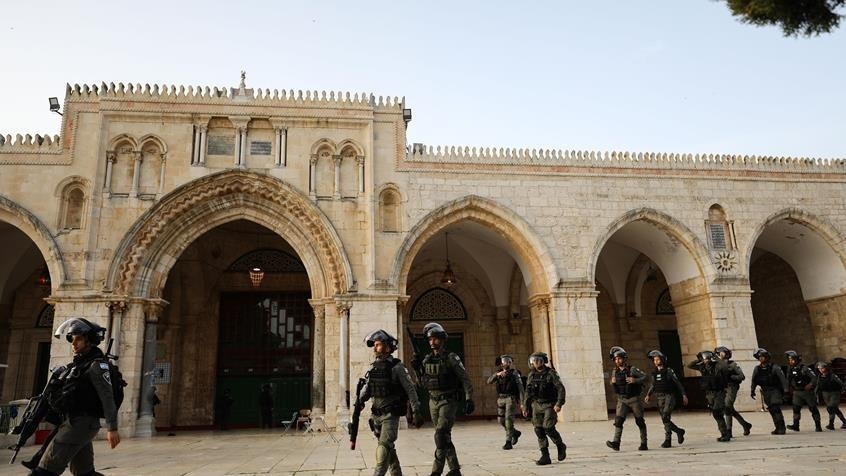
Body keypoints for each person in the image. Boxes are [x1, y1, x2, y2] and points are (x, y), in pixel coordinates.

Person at [32, 317, 120, 476]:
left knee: (45, 470)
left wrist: (112, 428)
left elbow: (107, 397)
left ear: (90, 341)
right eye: (72, 339)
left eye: (79, 339)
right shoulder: (79, 365)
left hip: (79, 425)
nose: (74, 343)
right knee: (84, 473)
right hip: (75, 423)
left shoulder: (97, 366)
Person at [357, 329, 422, 476]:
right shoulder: (374, 367)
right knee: (389, 450)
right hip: (376, 416)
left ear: (387, 347)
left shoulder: (397, 367)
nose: (375, 347)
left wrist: (416, 410)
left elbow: (410, 389)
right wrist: (359, 401)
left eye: (378, 344)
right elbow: (368, 388)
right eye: (374, 345)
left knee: (383, 450)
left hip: (390, 416)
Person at [419, 322, 474, 476]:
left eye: (435, 339)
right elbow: (422, 382)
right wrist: (417, 368)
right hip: (432, 401)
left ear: (442, 340)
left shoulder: (451, 358)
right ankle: (455, 469)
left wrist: (469, 399)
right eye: (430, 340)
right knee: (444, 436)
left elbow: (465, 379)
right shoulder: (427, 359)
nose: (432, 342)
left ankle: (436, 471)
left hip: (448, 401)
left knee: (440, 435)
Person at [522, 352, 566, 465]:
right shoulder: (531, 375)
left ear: (543, 361)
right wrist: (525, 406)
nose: (536, 363)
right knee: (539, 430)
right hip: (536, 404)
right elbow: (527, 392)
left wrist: (559, 404)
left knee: (549, 427)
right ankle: (545, 456)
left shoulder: (551, 374)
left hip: (549, 404)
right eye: (534, 360)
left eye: (539, 360)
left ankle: (560, 445)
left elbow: (560, 388)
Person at [605, 346, 648, 451]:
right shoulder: (615, 371)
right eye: (615, 359)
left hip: (634, 399)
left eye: (619, 358)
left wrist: (635, 380)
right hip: (622, 399)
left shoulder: (632, 369)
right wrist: (612, 382)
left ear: (624, 358)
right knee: (618, 421)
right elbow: (615, 385)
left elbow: (646, 377)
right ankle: (616, 443)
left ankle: (644, 443)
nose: (617, 361)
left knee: (640, 421)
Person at [643, 349, 687, 448]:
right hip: (659, 397)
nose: (656, 362)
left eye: (657, 360)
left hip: (669, 396)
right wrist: (648, 395)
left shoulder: (669, 371)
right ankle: (677, 432)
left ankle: (669, 438)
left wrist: (684, 395)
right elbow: (653, 385)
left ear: (662, 360)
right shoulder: (654, 373)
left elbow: (678, 383)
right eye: (654, 360)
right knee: (665, 419)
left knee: (666, 416)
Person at [687, 350, 731, 442]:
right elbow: (690, 365)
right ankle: (725, 434)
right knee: (716, 413)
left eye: (707, 358)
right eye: (704, 358)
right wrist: (699, 358)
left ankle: (725, 434)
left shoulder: (717, 365)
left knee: (717, 411)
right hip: (709, 393)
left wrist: (717, 358)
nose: (706, 360)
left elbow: (725, 367)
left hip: (719, 392)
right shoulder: (702, 367)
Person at [486, 354, 524, 450]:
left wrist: (522, 403)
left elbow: (520, 389)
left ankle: (508, 441)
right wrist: (497, 375)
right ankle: (515, 433)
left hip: (510, 399)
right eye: (504, 361)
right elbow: (489, 381)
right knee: (501, 421)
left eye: (508, 361)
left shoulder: (514, 373)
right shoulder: (498, 373)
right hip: (501, 399)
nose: (506, 363)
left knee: (508, 421)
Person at [715, 346, 752, 437]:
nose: (720, 354)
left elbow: (741, 376)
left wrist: (731, 377)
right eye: (719, 353)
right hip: (723, 389)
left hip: (732, 387)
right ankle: (745, 424)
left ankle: (728, 431)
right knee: (729, 408)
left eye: (721, 352)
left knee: (727, 407)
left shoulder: (732, 364)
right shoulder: (718, 365)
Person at [750, 348, 789, 434]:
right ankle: (777, 427)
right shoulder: (757, 369)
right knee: (771, 409)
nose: (761, 358)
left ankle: (782, 428)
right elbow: (754, 380)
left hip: (774, 390)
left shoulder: (774, 367)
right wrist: (752, 390)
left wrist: (786, 391)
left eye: (763, 357)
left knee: (775, 408)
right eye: (759, 357)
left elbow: (783, 379)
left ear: (767, 357)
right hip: (765, 391)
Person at [784, 350, 821, 432]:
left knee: (813, 408)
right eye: (789, 360)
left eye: (792, 360)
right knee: (796, 409)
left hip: (807, 392)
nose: (790, 361)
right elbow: (788, 380)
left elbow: (814, 378)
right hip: (797, 392)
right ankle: (796, 425)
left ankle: (818, 426)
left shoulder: (804, 368)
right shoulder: (790, 369)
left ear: (797, 360)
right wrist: (787, 390)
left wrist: (811, 385)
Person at [815, 361, 846, 430]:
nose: (820, 370)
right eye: (819, 368)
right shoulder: (820, 377)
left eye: (822, 368)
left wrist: (843, 389)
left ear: (826, 368)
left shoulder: (832, 376)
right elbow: (817, 385)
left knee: (830, 408)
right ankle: (844, 422)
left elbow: (841, 383)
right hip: (825, 394)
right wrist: (815, 393)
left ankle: (831, 424)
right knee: (835, 409)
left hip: (834, 394)